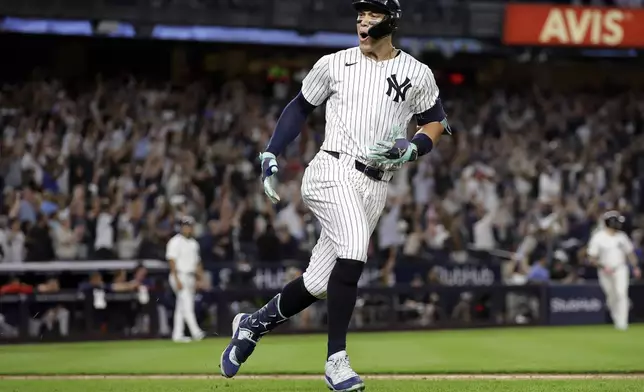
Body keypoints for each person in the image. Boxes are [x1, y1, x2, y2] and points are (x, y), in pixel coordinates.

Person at [219, 1, 450, 390]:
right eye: (360, 14)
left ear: (390, 21)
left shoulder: (417, 72)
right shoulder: (333, 63)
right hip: (332, 170)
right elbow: (299, 107)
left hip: (376, 186)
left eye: (372, 14)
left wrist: (414, 148)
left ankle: (252, 324)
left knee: (318, 283)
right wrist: (272, 151)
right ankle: (336, 361)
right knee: (356, 250)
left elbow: (436, 122)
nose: (362, 20)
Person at [587, 211, 641, 331]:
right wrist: (602, 266)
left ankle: (622, 323)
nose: (619, 225)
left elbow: (630, 253)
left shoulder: (622, 236)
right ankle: (617, 319)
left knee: (621, 293)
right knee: (611, 296)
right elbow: (592, 258)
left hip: (620, 268)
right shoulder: (598, 237)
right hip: (604, 271)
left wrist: (636, 267)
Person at [166, 216, 206, 342]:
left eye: (189, 226)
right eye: (185, 226)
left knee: (181, 307)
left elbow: (197, 263)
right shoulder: (175, 241)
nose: (187, 228)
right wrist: (176, 279)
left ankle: (177, 334)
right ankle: (196, 332)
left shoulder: (194, 243)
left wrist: (200, 278)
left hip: (190, 276)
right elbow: (171, 261)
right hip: (179, 275)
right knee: (187, 304)